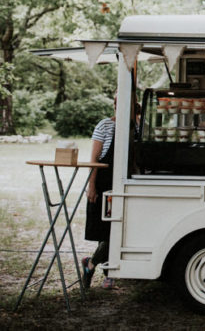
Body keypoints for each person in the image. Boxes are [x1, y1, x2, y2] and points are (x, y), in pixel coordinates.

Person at [82, 102, 117, 289]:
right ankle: (107, 272)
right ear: (115, 105)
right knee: (106, 229)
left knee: (116, 228)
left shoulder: (135, 127)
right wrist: (92, 185)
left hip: (121, 182)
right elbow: (94, 159)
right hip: (104, 182)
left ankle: (92, 263)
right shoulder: (105, 125)